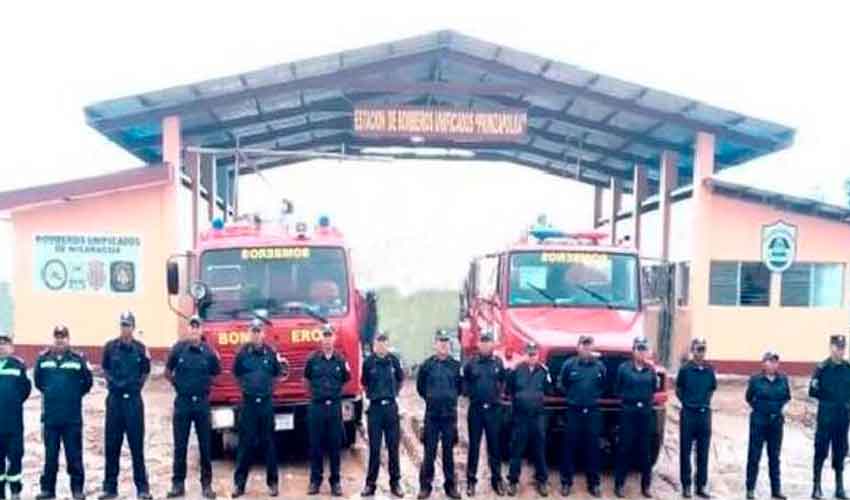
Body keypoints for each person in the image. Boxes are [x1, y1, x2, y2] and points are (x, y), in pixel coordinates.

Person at [165, 316, 221, 499]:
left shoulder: (209, 353)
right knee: (180, 446)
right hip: (183, 403)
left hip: (202, 404)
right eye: (192, 327)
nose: (194, 330)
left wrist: (205, 387)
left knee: (205, 446)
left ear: (201, 330)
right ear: (188, 329)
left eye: (197, 327)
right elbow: (167, 372)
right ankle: (178, 484)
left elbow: (216, 375)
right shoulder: (178, 349)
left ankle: (206, 485)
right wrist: (178, 386)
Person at [34, 326, 93, 500]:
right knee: (50, 456)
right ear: (53, 339)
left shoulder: (78, 359)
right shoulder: (43, 359)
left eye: (63, 337)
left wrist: (73, 395)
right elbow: (39, 382)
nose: (60, 340)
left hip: (72, 418)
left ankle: (77, 490)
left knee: (74, 456)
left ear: (68, 339)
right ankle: (48, 490)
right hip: (51, 417)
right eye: (57, 337)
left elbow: (87, 383)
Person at [99, 312, 152, 500]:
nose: (125, 328)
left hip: (133, 403)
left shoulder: (140, 349)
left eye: (128, 325)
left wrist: (136, 386)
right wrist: (113, 384)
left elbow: (146, 371)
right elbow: (104, 369)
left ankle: (143, 489)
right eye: (123, 325)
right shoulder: (110, 347)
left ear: (133, 327)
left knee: (136, 447)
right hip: (115, 402)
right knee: (112, 446)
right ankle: (110, 488)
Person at [232, 318, 283, 498]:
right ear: (249, 333)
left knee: (269, 443)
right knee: (245, 444)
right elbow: (236, 374)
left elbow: (277, 375)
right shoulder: (242, 354)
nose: (255, 334)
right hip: (249, 404)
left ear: (263, 333)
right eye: (253, 331)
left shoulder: (270, 353)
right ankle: (239, 485)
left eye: (258, 331)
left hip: (266, 404)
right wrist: (247, 389)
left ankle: (273, 484)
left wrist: (268, 390)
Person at [304, 325, 351, 497]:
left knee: (334, 446)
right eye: (324, 336)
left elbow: (346, 380)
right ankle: (315, 481)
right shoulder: (312, 360)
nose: (327, 340)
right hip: (317, 407)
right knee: (315, 445)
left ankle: (335, 481)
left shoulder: (340, 360)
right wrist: (317, 396)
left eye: (329, 336)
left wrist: (334, 393)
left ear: (334, 338)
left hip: (334, 408)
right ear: (320, 339)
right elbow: (306, 380)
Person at [417, 330, 462, 500]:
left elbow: (459, 388)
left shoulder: (455, 366)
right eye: (440, 342)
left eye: (446, 342)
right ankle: (425, 486)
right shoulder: (427, 365)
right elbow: (421, 388)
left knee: (449, 453)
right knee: (429, 452)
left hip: (449, 416)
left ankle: (450, 486)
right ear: (435, 344)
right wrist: (432, 398)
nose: (443, 345)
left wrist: (448, 398)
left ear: (449, 345)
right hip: (432, 416)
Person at [559, 335, 605, 498]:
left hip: (592, 412)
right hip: (574, 411)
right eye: (583, 345)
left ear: (592, 348)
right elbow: (562, 384)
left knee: (593, 448)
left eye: (589, 346)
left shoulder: (600, 367)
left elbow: (602, 386)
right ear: (578, 347)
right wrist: (573, 397)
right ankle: (566, 482)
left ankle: (593, 483)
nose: (586, 349)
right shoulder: (569, 365)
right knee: (569, 447)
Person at [360, 332, 405, 498]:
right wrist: (375, 395)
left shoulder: (394, 361)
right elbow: (364, 383)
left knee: (393, 448)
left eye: (384, 343)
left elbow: (400, 380)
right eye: (378, 343)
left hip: (391, 408)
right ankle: (370, 485)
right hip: (375, 410)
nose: (381, 346)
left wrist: (392, 394)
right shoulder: (368, 362)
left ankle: (395, 483)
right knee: (374, 448)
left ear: (387, 345)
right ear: (374, 345)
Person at [463, 330, 507, 497]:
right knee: (473, 446)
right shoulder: (471, 363)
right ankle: (471, 481)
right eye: (483, 342)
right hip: (476, 410)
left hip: (494, 410)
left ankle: (497, 480)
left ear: (492, 344)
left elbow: (503, 381)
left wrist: (497, 396)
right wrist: (471, 394)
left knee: (494, 446)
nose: (486, 345)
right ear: (479, 344)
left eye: (488, 342)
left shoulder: (498, 362)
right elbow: (465, 382)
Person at [614, 336, 659, 499]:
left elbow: (654, 389)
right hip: (628, 412)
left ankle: (646, 486)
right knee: (624, 449)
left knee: (645, 451)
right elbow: (617, 389)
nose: (641, 352)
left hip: (645, 413)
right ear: (633, 351)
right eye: (638, 348)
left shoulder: (651, 370)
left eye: (644, 349)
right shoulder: (624, 369)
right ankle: (619, 485)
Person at [506, 342, 551, 498]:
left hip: (537, 417)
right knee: (516, 451)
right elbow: (509, 389)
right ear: (525, 354)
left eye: (534, 354)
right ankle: (512, 481)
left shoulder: (543, 372)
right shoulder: (516, 370)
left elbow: (548, 390)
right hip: (521, 417)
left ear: (538, 355)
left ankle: (542, 481)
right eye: (529, 354)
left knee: (539, 450)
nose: (532, 357)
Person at [745, 351, 790, 500]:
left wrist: (779, 409)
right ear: (763, 363)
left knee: (774, 457)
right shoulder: (756, 379)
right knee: (754, 456)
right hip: (759, 421)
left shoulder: (783, 379)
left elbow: (787, 397)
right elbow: (749, 397)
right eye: (770, 361)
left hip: (776, 423)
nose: (773, 364)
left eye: (775, 361)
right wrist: (760, 409)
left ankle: (776, 490)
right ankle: (750, 489)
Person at [809, 334, 850, 499]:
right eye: (837, 347)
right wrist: (828, 402)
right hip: (826, 418)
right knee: (820, 451)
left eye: (842, 348)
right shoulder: (822, 368)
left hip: (843, 418)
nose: (839, 351)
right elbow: (813, 391)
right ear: (830, 347)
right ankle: (816, 487)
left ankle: (839, 487)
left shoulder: (848, 368)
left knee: (840, 452)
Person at [676, 337, 717, 498]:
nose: (701, 353)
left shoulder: (709, 369)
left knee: (703, 451)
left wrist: (703, 402)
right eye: (698, 349)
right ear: (692, 351)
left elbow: (712, 388)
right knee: (685, 451)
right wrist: (688, 403)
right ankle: (686, 485)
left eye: (703, 349)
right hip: (688, 414)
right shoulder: (685, 369)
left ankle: (701, 485)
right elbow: (679, 389)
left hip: (704, 414)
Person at [0, 331, 31, 500]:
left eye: (5, 344)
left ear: (11, 347)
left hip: (13, 423)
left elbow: (25, 390)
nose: (1, 347)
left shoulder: (18, 366)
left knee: (16, 456)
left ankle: (15, 492)